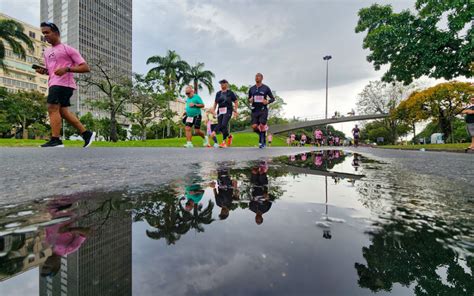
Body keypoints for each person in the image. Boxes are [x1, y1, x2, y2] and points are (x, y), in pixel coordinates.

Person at [37, 22, 95, 148]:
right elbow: (52, 71)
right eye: (43, 33)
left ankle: (56, 140)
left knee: (52, 108)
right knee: (63, 112)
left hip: (64, 84)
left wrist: (67, 69)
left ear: (56, 33)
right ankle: (86, 134)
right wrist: (44, 71)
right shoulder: (46, 52)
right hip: (54, 82)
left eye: (47, 32)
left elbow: (85, 67)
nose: (45, 36)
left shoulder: (67, 49)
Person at [248, 73, 275, 148]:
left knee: (262, 125)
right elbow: (249, 99)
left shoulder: (266, 88)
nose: (257, 78)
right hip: (254, 110)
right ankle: (263, 135)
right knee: (254, 126)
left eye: (258, 77)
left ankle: (261, 142)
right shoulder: (252, 88)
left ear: (262, 78)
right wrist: (250, 100)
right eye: (256, 76)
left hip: (263, 110)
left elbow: (273, 98)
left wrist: (267, 101)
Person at [210, 79, 238, 148]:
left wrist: (235, 110)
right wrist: (213, 110)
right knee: (220, 125)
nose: (222, 84)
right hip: (220, 111)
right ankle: (229, 136)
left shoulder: (230, 93)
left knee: (223, 124)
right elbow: (215, 103)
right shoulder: (218, 93)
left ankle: (224, 142)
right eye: (221, 83)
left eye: (223, 83)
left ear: (227, 84)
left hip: (228, 110)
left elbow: (236, 101)